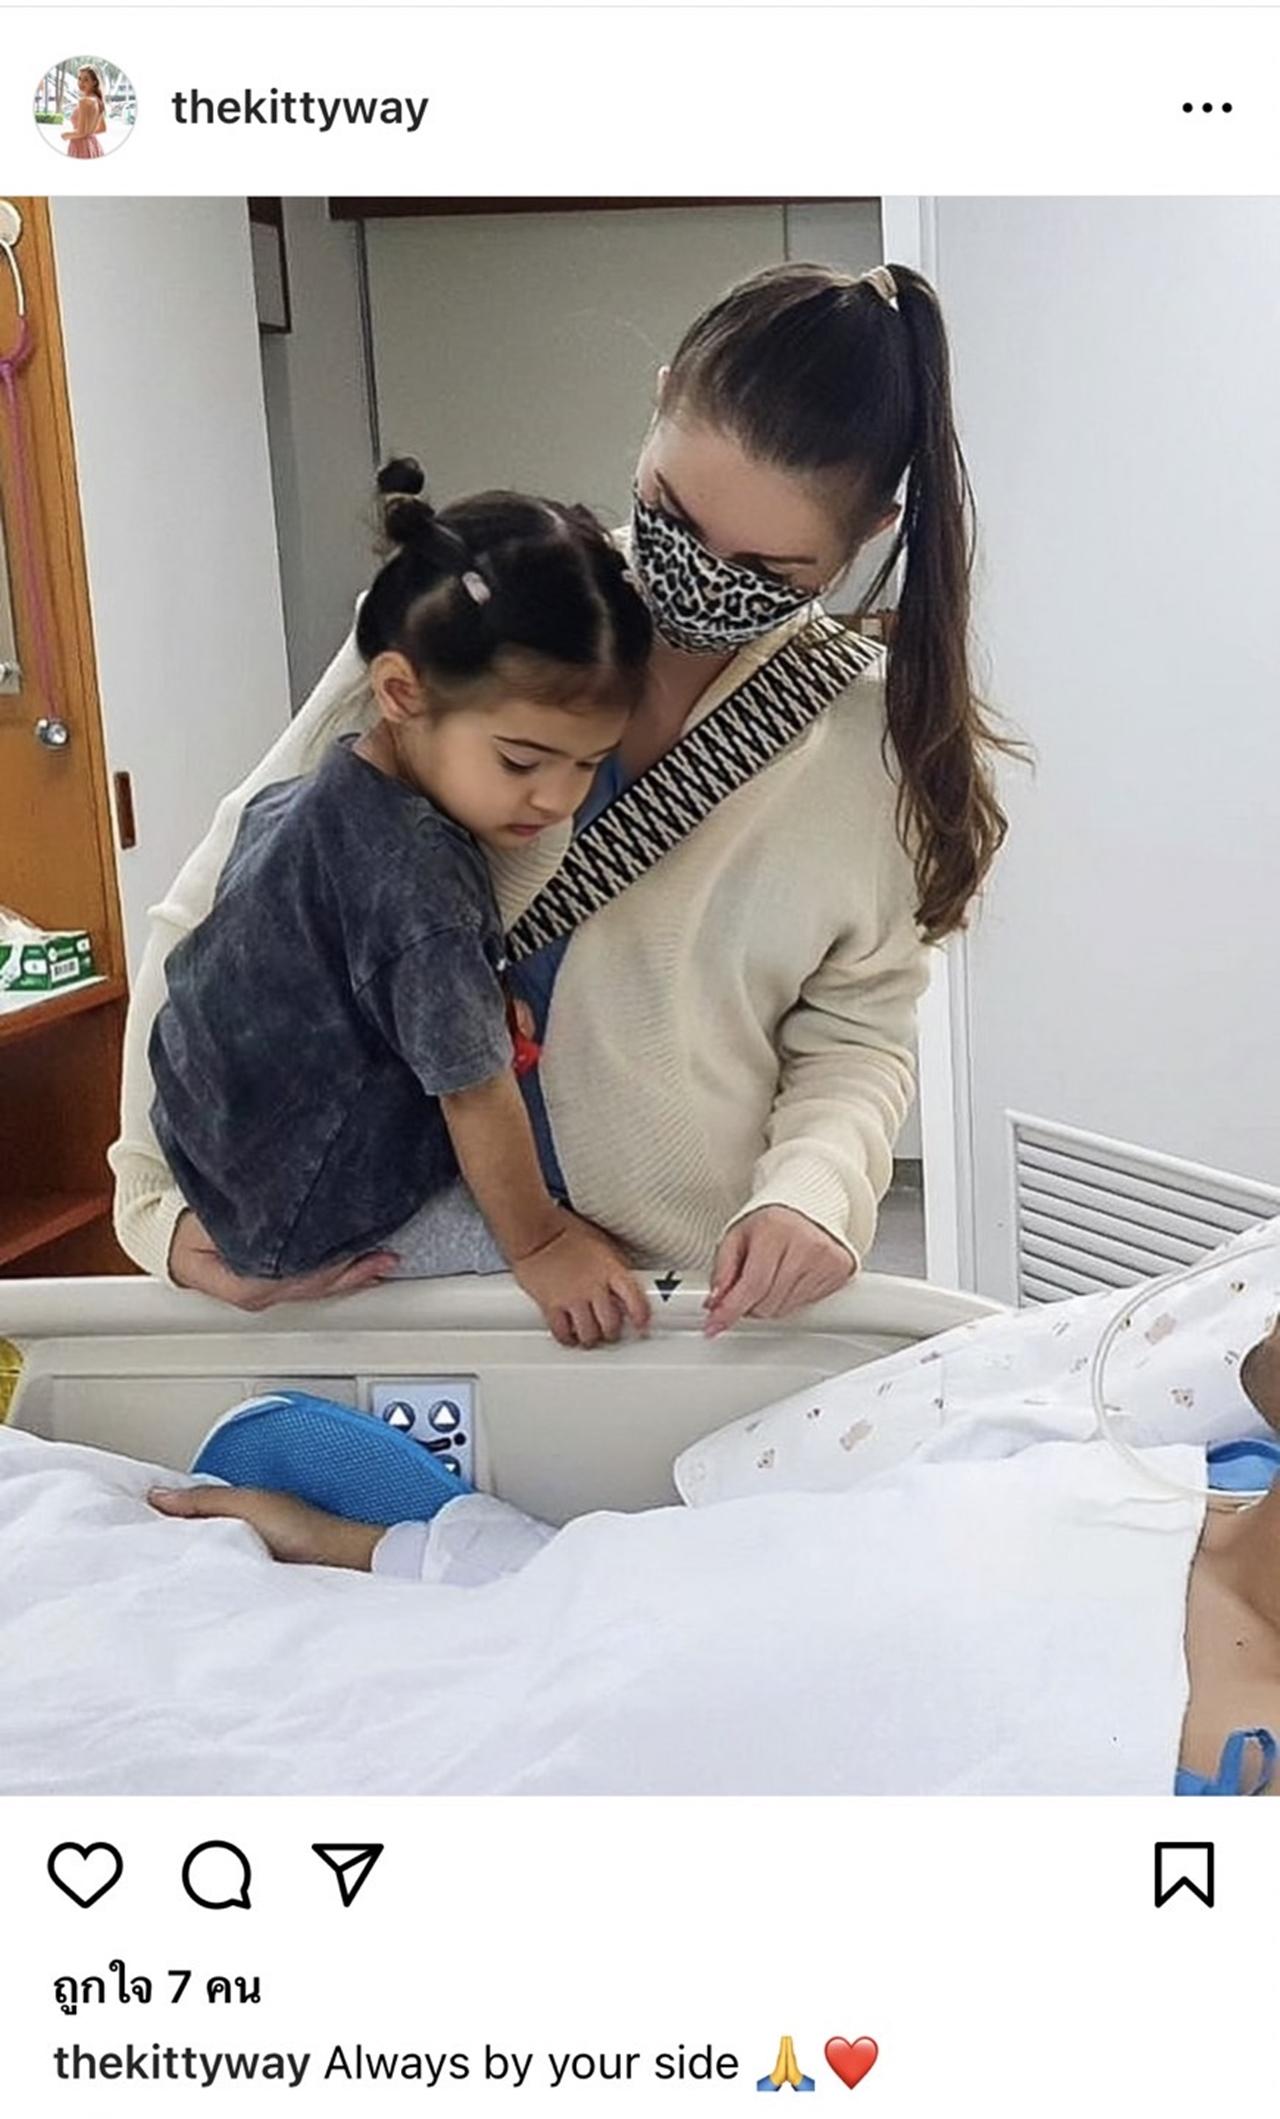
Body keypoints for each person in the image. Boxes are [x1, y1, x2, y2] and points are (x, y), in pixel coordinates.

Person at [112, 261, 1017, 1343]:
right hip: (393, 1251)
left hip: (664, 1294)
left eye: (767, 568)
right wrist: (156, 1203)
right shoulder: (475, 616)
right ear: (659, 398)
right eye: (672, 513)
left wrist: (813, 1189)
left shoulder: (870, 743)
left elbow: (857, 1031)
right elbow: (224, 904)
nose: (698, 578)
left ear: (869, 533)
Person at [149, 1291, 1280, 1796]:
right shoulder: (1170, 1458)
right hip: (493, 1663)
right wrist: (373, 1550)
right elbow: (743, 1581)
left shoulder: (1230, 1770)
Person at [148, 466, 653, 1347]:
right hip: (301, 1220)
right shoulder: (419, 887)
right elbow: (475, 1093)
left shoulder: (314, 791)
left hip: (206, 1152)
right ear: (400, 692)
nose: (557, 800)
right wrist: (540, 1244)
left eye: (587, 763)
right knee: (613, 1270)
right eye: (522, 760)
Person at [63, 68, 107, 158]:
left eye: (86, 79)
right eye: (79, 78)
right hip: (93, 145)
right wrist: (88, 132)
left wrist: (66, 135)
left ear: (94, 82)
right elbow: (102, 128)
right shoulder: (98, 100)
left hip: (80, 146)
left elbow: (81, 132)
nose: (81, 83)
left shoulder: (84, 101)